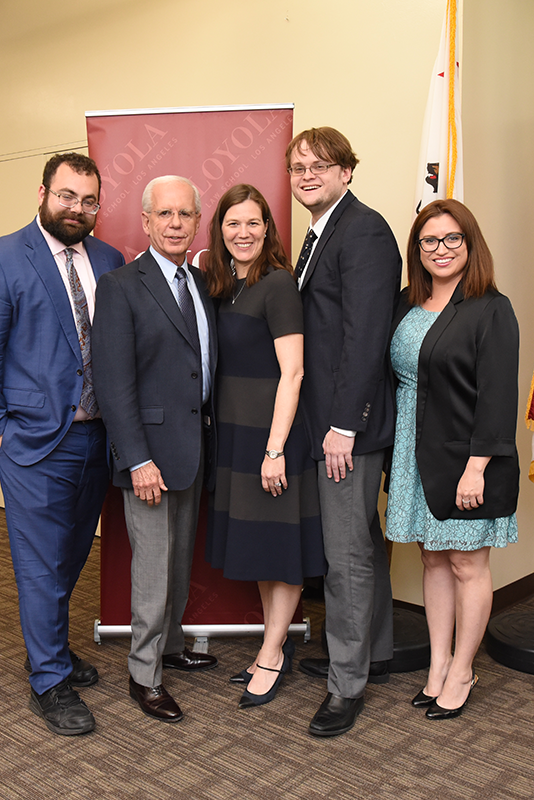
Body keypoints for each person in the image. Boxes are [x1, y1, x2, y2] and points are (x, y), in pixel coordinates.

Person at [0, 153, 124, 737]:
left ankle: (47, 647)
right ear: (43, 192)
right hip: (30, 441)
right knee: (38, 562)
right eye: (67, 196)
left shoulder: (108, 259)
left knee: (74, 552)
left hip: (96, 436)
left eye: (88, 200)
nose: (77, 208)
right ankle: (49, 680)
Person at [91, 175, 218, 723]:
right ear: (146, 222)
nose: (174, 224)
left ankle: (169, 647)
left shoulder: (201, 283)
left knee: (179, 561)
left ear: (196, 222)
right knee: (152, 570)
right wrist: (136, 458)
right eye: (163, 214)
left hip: (193, 449)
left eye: (184, 215)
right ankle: (144, 675)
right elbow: (113, 382)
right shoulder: (121, 286)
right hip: (149, 458)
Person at [288, 127, 401, 737]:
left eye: (320, 165)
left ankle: (346, 685)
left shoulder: (364, 231)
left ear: (346, 173)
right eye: (298, 166)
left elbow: (365, 339)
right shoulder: (320, 232)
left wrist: (341, 427)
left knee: (347, 556)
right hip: (331, 423)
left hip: (346, 428)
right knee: (360, 540)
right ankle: (370, 653)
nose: (306, 174)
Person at [386, 198, 519, 720]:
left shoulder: (491, 307)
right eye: (428, 241)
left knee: (466, 562)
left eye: (451, 239)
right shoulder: (405, 303)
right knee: (432, 557)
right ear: (417, 250)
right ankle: (437, 665)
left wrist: (477, 466)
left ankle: (463, 668)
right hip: (412, 450)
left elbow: (498, 395)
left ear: (470, 244)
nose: (440, 250)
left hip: (467, 457)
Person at [203, 184, 325, 709]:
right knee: (258, 548)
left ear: (267, 229)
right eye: (233, 224)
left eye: (253, 223)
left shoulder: (278, 284)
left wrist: (274, 449)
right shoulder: (221, 284)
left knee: (281, 550)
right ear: (220, 231)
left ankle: (273, 652)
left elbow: (293, 373)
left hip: (272, 435)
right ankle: (270, 647)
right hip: (233, 435)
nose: (243, 233)